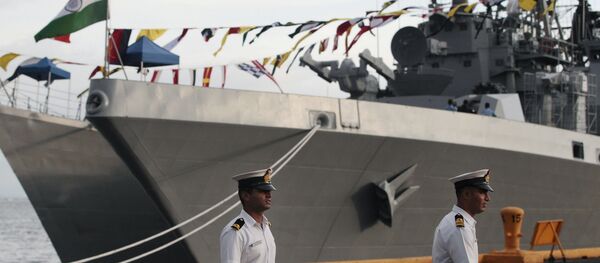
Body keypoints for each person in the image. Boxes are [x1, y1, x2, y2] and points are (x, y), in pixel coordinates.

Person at [432, 169, 494, 263]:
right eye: (482, 192)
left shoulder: (453, 220)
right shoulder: (460, 228)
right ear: (466, 194)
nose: (488, 198)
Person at [220, 169, 276, 263]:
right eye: (263, 191)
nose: (269, 195)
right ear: (246, 196)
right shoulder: (235, 232)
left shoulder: (265, 227)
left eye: (269, 191)